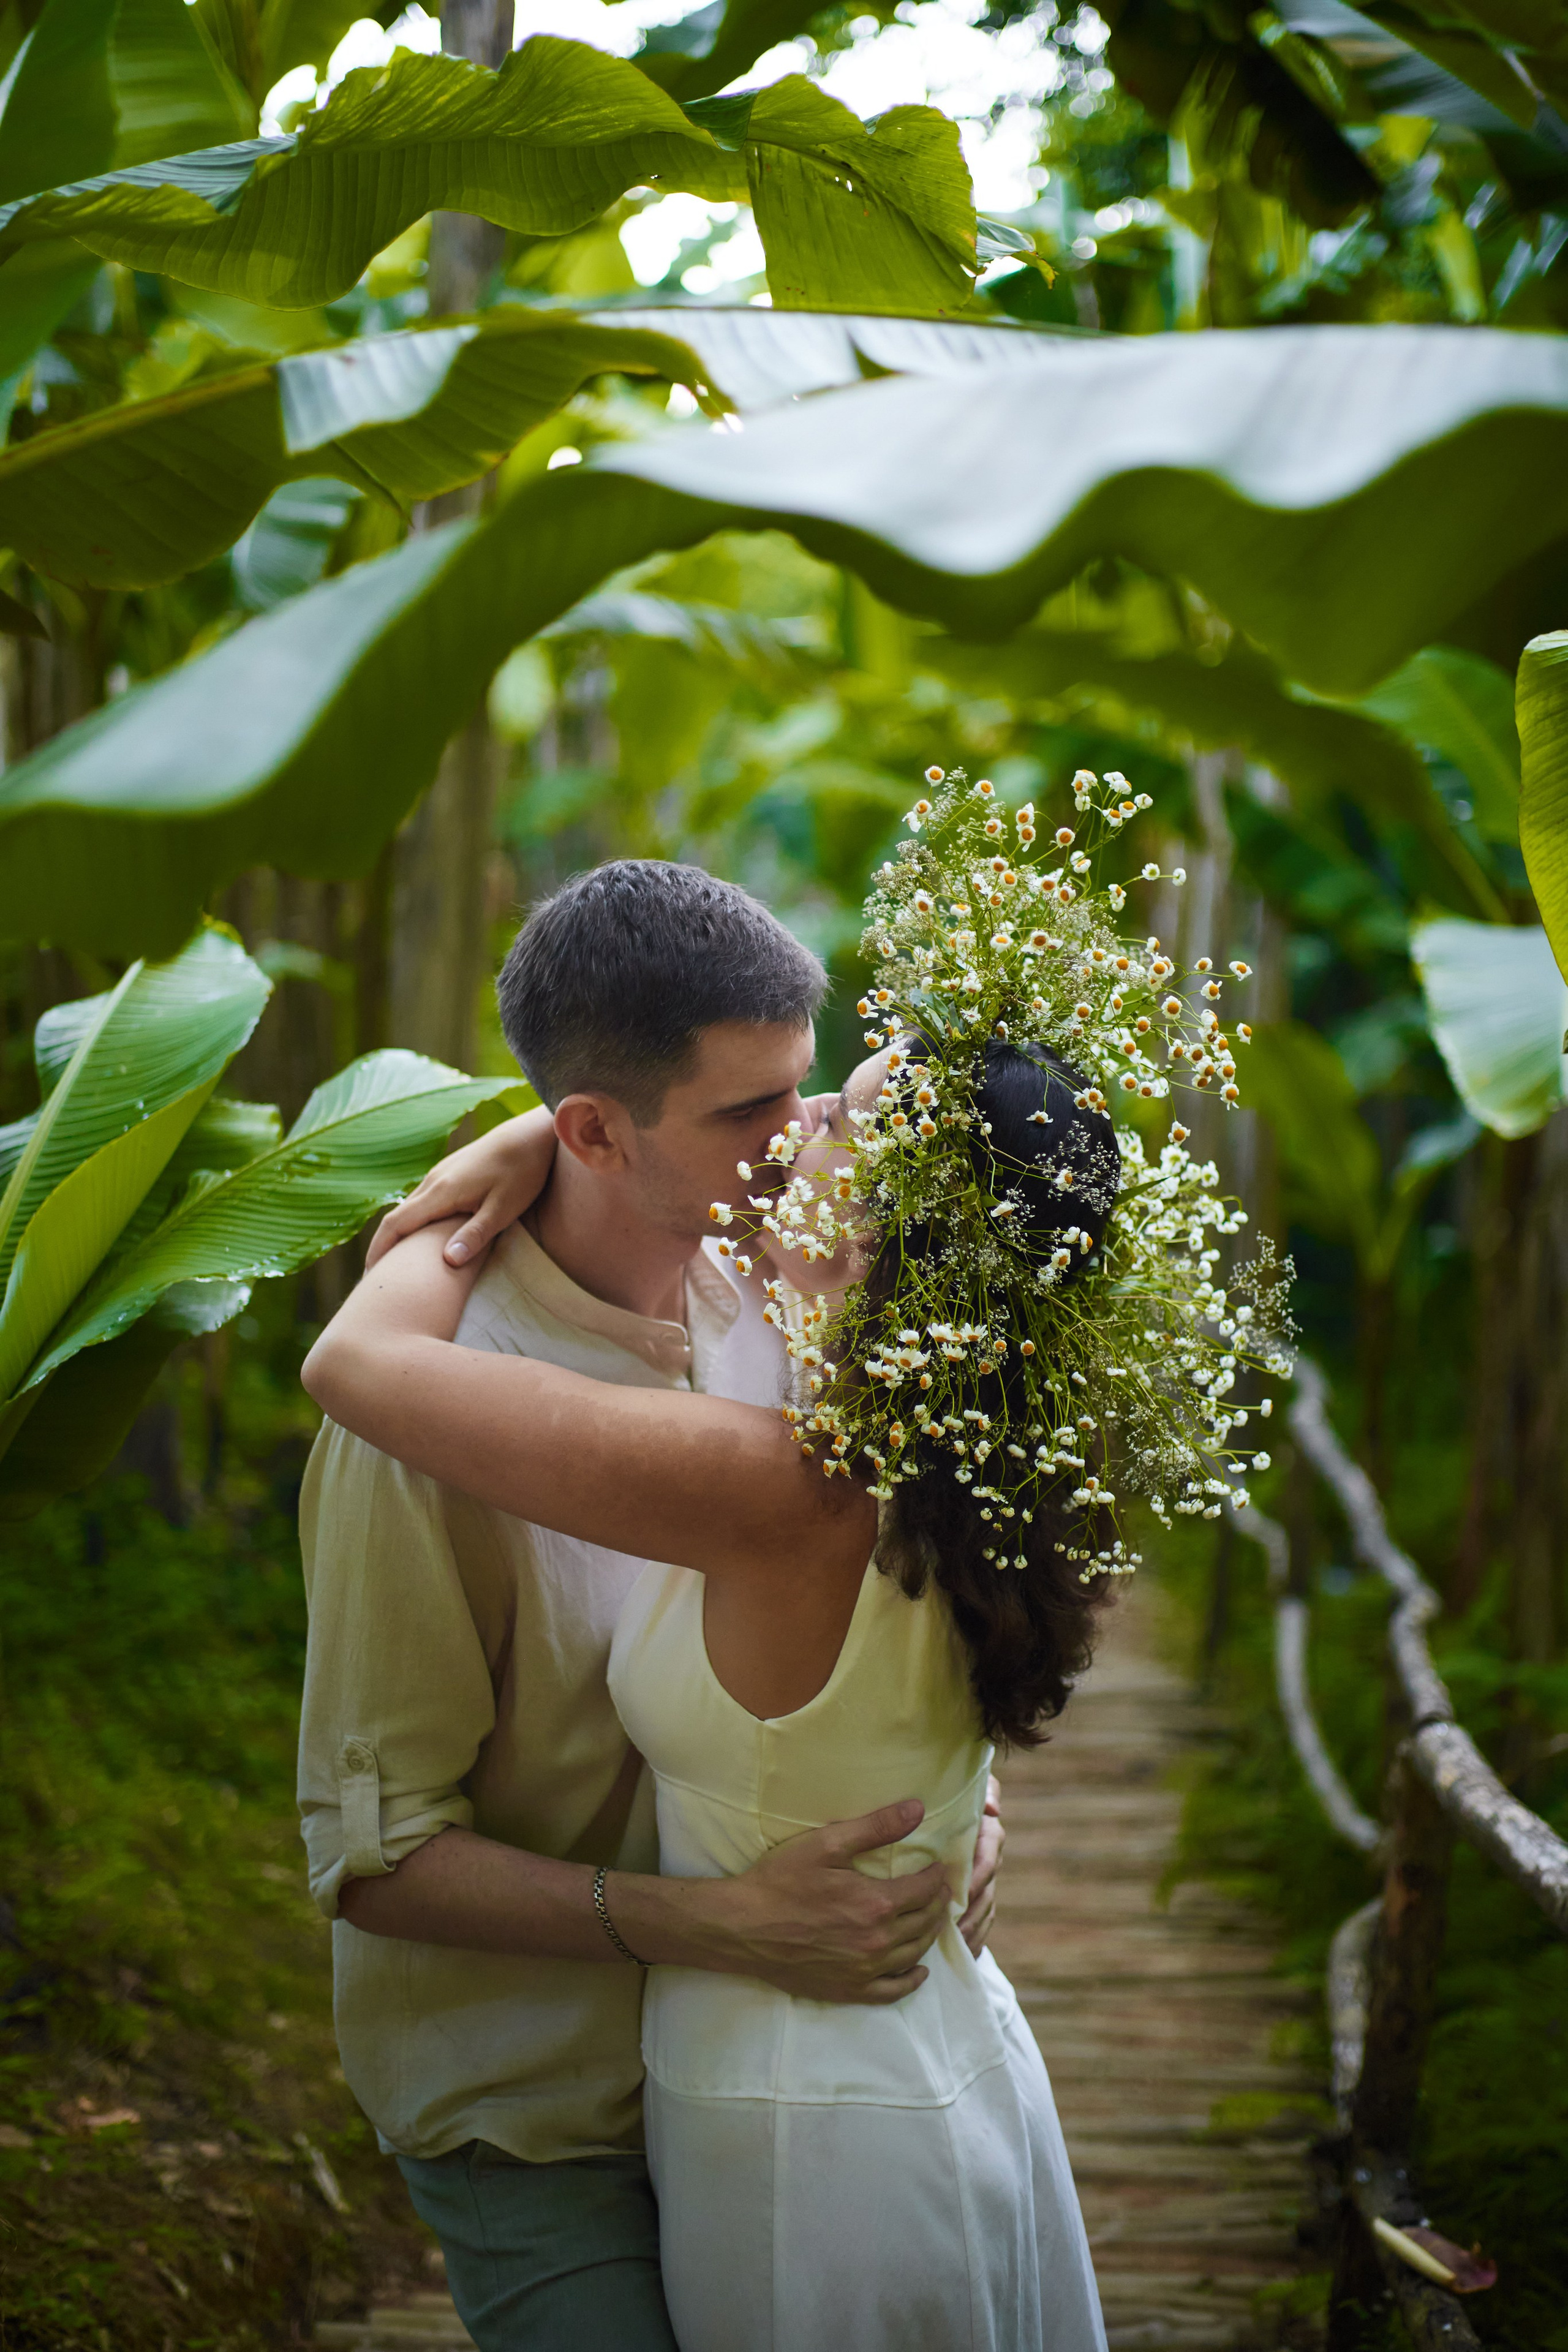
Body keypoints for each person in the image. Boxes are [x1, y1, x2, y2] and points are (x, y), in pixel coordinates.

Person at [295, 860, 1003, 2352]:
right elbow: (374, 1857)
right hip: (544, 2104)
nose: (804, 1143)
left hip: (787, 2043)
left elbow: (889, 1613)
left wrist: (945, 1800)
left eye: (801, 1095)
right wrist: (726, 1928)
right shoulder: (426, 1423)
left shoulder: (784, 1296)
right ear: (595, 1134)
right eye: (749, 1116)